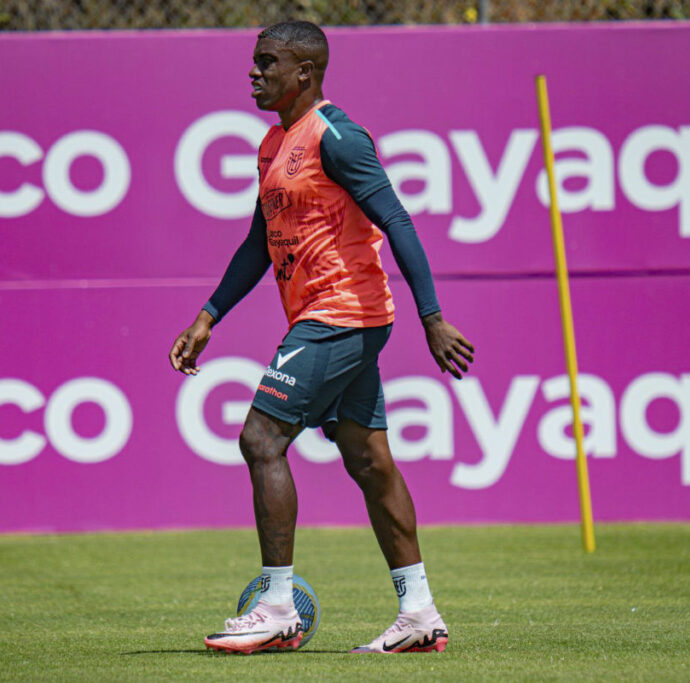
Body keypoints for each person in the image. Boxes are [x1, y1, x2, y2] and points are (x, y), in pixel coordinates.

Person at [169, 20, 474, 655]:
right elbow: (259, 243)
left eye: (267, 62)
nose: (254, 72)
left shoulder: (337, 137)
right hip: (329, 316)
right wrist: (208, 315)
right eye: (254, 62)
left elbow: (396, 219)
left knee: (261, 436)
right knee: (368, 460)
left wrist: (433, 317)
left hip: (342, 313)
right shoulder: (273, 144)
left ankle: (276, 604)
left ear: (305, 72)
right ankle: (419, 615)